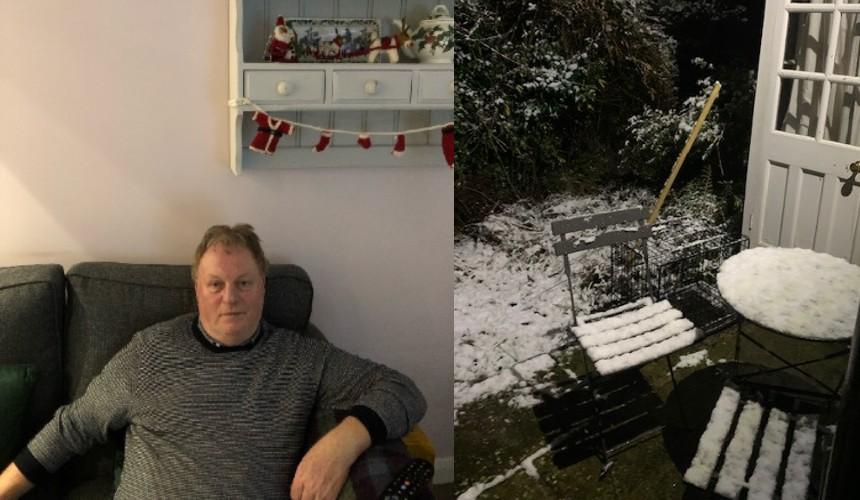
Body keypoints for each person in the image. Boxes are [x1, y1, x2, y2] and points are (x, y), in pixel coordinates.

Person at [0, 224, 427, 499]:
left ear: (263, 287)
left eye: (244, 283)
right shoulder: (150, 351)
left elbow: (402, 390)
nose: (230, 298)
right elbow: (72, 427)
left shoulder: (301, 358)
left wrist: (342, 443)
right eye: (216, 284)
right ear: (197, 289)